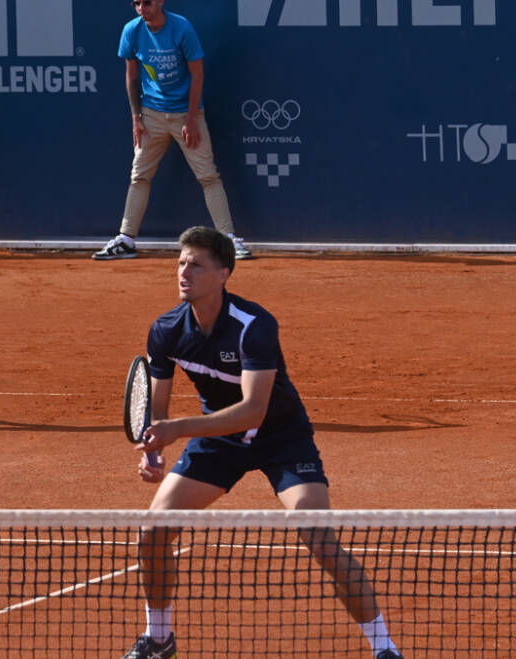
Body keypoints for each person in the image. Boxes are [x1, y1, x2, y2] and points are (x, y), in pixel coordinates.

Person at [122, 226, 401, 659]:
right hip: (218, 440)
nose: (184, 272)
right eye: (180, 262)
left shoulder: (254, 326)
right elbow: (157, 411)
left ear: (224, 274)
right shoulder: (166, 331)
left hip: (281, 439)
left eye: (196, 265)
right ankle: (159, 639)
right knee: (152, 532)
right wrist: (156, 452)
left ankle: (384, 648)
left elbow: (254, 410)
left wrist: (178, 430)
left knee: (320, 539)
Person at [95, 0, 250, 261]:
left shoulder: (182, 28)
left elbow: (197, 74)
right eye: (136, 3)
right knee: (139, 175)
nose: (141, 8)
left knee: (208, 176)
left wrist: (191, 118)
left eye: (147, 2)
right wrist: (136, 117)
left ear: (160, 2)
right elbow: (131, 76)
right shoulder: (131, 31)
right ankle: (126, 239)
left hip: (186, 114)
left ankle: (228, 240)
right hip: (151, 114)